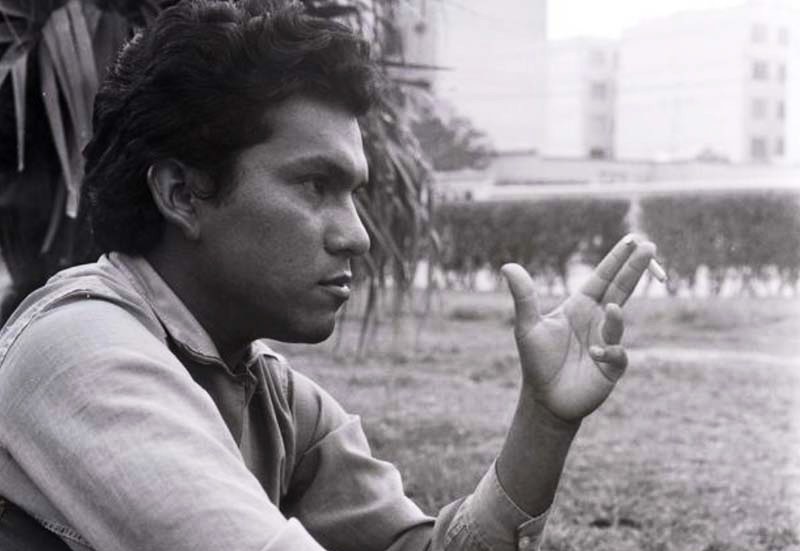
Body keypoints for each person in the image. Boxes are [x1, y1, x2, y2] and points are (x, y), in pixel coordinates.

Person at [0, 1, 657, 550]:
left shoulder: (273, 394)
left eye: (353, 193)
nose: (358, 235)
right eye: (315, 185)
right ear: (182, 193)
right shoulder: (78, 350)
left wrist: (543, 420)